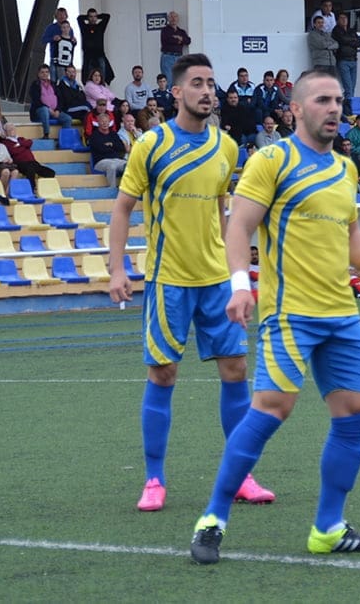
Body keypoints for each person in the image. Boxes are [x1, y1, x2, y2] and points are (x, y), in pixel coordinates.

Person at [188, 69, 360, 565]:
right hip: (290, 313)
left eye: (339, 100)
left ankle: (328, 528)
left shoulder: (345, 169)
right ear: (297, 108)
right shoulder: (272, 160)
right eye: (323, 99)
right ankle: (213, 519)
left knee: (355, 411)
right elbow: (238, 227)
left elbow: (350, 234)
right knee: (271, 408)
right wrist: (239, 285)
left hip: (342, 313)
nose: (334, 108)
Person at [109, 53, 275, 514]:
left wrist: (238, 276)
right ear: (177, 91)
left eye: (211, 83)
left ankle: (240, 476)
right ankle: (154, 479)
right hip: (168, 279)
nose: (207, 91)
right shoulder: (151, 145)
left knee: (236, 370)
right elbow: (122, 208)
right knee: (163, 373)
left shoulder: (226, 147)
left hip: (217, 279)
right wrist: (117, 269)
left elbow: (224, 214)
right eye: (197, 83)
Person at [28, 64, 73, 140]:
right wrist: (48, 109)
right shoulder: (35, 85)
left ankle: (65, 139)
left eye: (46, 72)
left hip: (54, 111)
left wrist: (58, 110)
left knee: (67, 118)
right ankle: (46, 134)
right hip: (40, 111)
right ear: (38, 74)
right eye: (42, 72)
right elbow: (36, 101)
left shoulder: (53, 84)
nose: (45, 74)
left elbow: (60, 99)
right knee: (44, 110)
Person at [88, 111, 127, 189]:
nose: (104, 123)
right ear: (98, 123)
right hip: (101, 162)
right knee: (112, 166)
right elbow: (101, 149)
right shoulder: (94, 136)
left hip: (116, 160)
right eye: (102, 121)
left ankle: (126, 188)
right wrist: (113, 147)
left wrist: (111, 145)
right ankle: (112, 189)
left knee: (128, 165)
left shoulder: (113, 134)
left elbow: (122, 148)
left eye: (106, 121)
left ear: (109, 123)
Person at [77, 7, 113, 84]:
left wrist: (97, 16)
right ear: (88, 17)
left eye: (94, 17)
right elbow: (79, 18)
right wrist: (88, 17)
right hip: (88, 56)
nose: (93, 19)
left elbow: (107, 16)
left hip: (99, 54)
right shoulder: (84, 27)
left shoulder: (100, 27)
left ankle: (102, 86)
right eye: (91, 16)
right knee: (89, 75)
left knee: (102, 74)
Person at [332, 13, 360, 105]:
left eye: (345, 18)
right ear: (337, 20)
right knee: (348, 87)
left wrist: (349, 41)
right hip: (343, 60)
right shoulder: (336, 30)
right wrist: (352, 40)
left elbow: (359, 42)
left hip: (353, 60)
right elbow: (343, 39)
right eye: (341, 18)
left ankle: (346, 105)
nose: (344, 20)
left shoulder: (351, 30)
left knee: (352, 86)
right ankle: (349, 108)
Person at [158, 11, 191, 84]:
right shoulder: (165, 30)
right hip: (167, 57)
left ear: (178, 19)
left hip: (179, 58)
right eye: (171, 17)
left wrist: (179, 38)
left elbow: (188, 41)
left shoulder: (181, 31)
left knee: (179, 80)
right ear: (168, 19)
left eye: (175, 17)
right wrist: (179, 40)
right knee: (168, 80)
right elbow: (168, 40)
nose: (173, 19)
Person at [41, 7, 69, 83]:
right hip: (54, 58)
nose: (62, 16)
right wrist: (53, 38)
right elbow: (43, 40)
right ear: (56, 16)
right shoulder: (51, 27)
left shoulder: (69, 29)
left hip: (66, 60)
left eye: (63, 15)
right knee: (54, 81)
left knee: (64, 81)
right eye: (59, 15)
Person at [49, 20, 77, 86]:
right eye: (63, 27)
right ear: (61, 28)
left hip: (68, 64)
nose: (65, 29)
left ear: (69, 28)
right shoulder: (57, 39)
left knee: (70, 81)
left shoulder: (72, 40)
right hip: (60, 63)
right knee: (62, 81)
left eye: (67, 27)